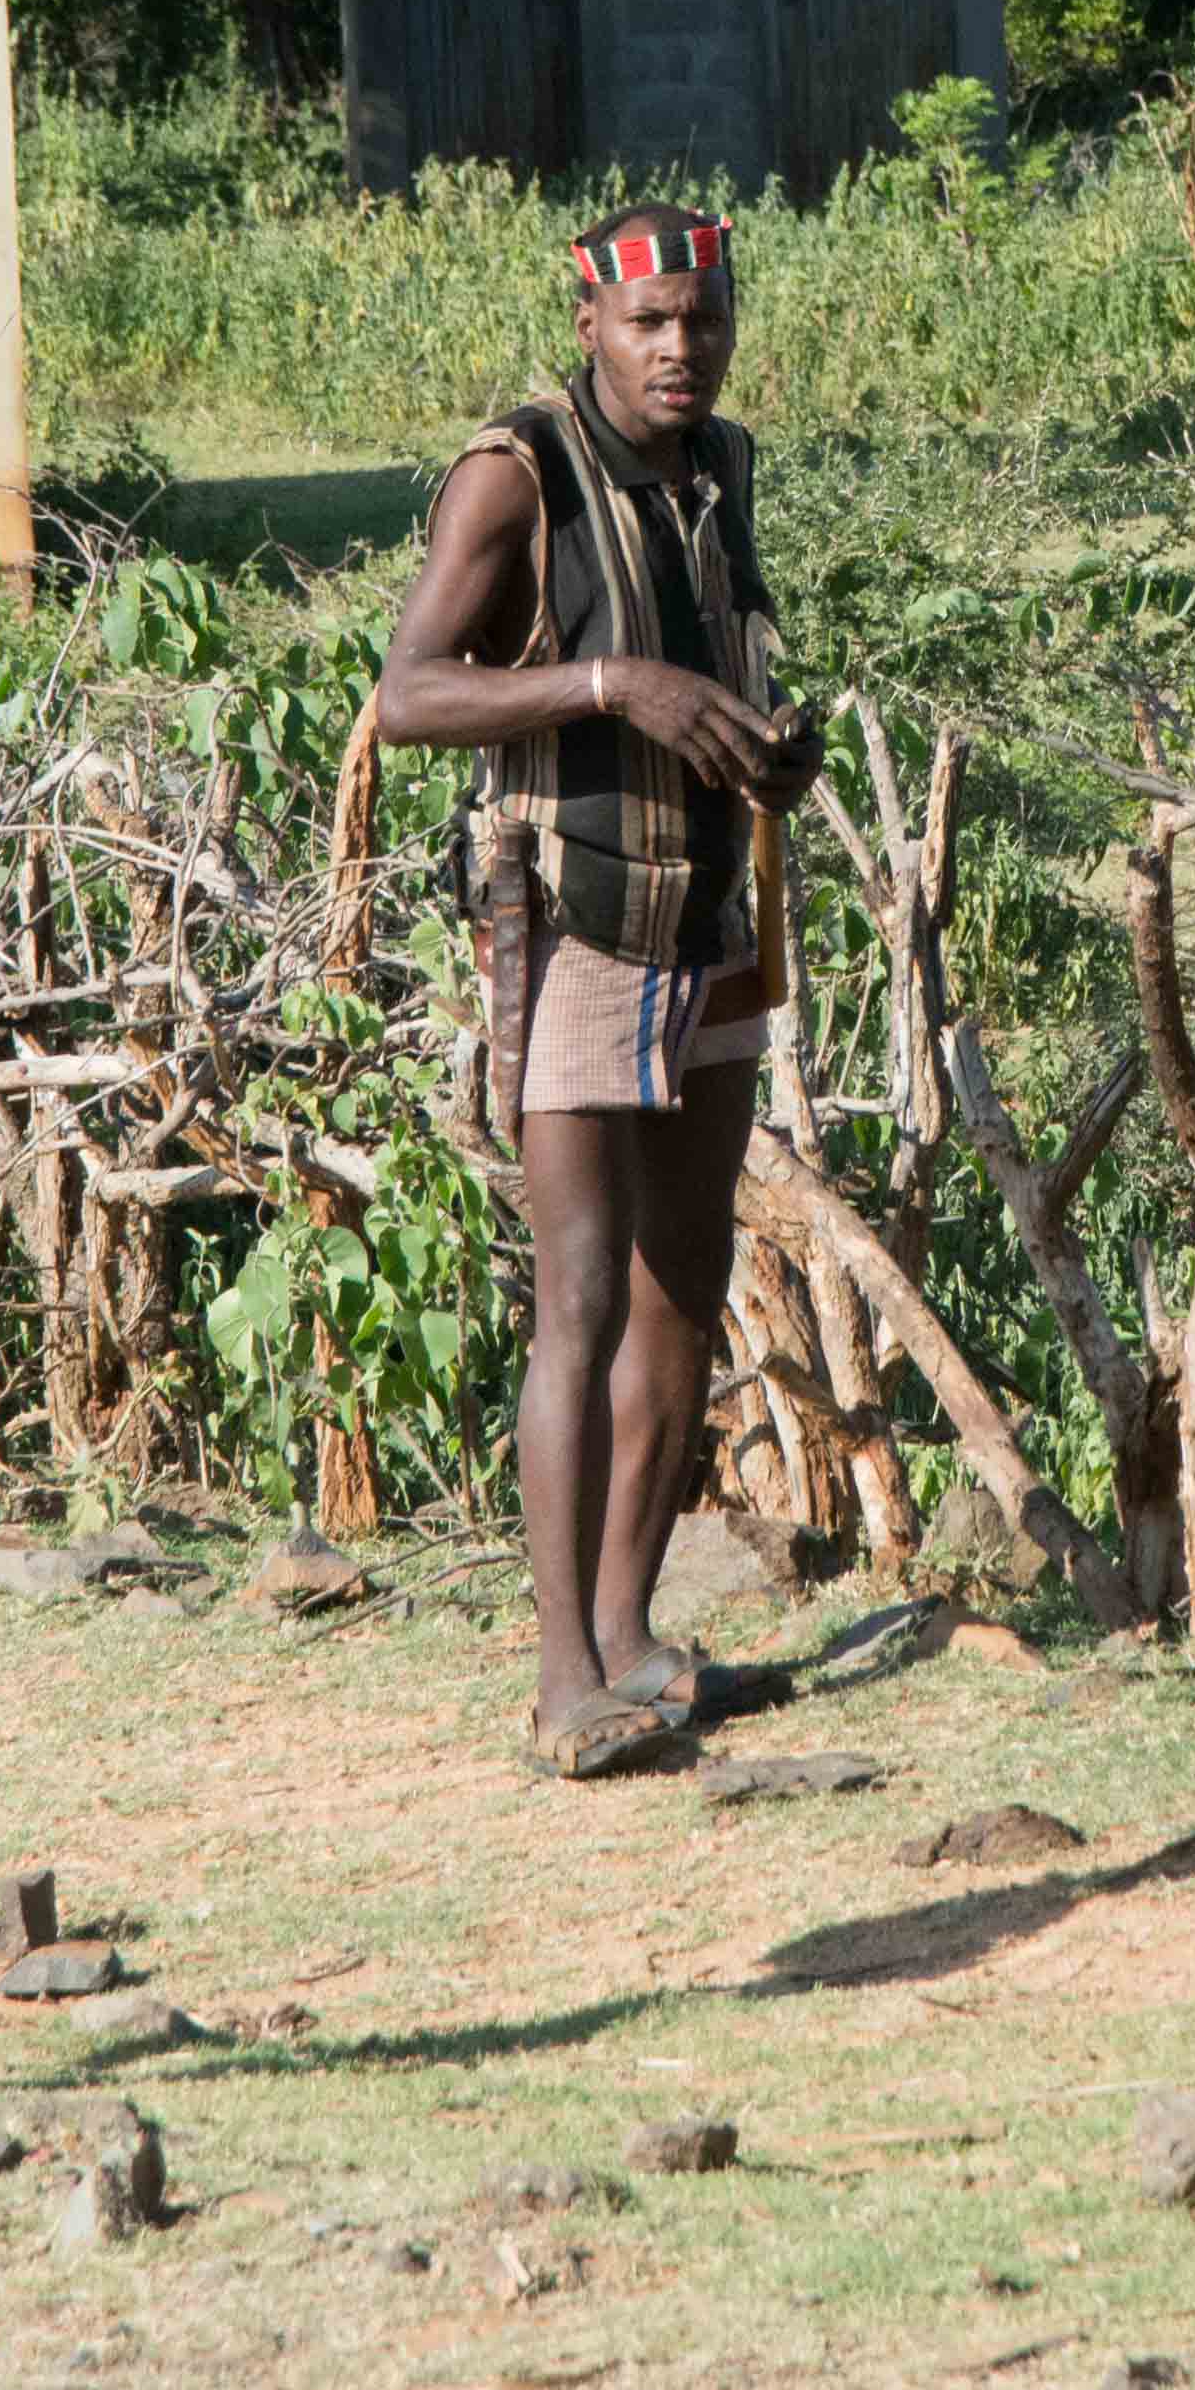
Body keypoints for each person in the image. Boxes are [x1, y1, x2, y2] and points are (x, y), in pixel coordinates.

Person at [372, 202, 826, 1779]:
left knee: (684, 1278)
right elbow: (406, 696)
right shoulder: (519, 474)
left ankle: (634, 1636)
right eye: (650, 324)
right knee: (576, 1297)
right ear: (589, 328)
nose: (680, 347)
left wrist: (763, 744)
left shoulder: (722, 466)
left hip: (710, 908)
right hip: (569, 916)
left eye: (704, 319)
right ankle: (564, 1678)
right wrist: (613, 686)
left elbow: (716, 657)